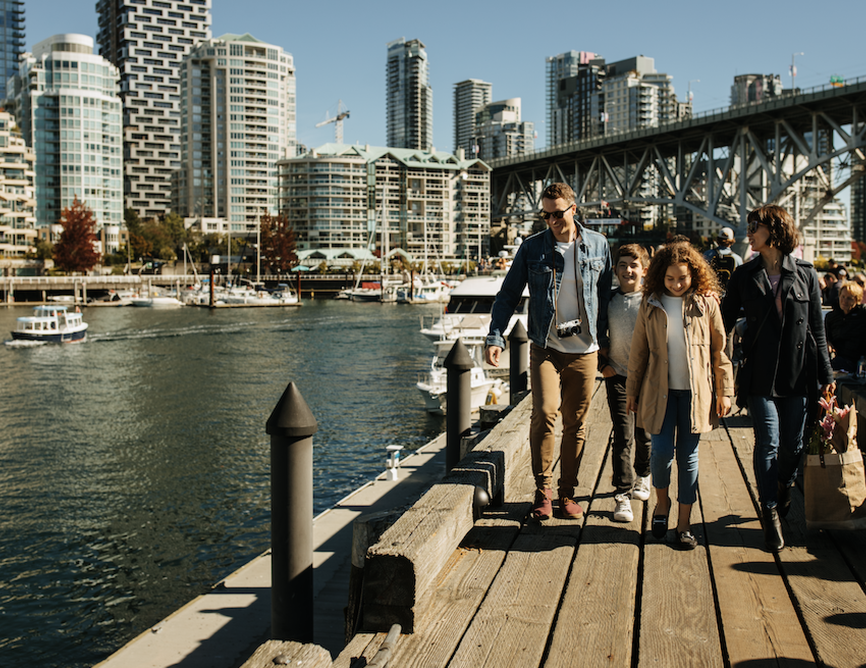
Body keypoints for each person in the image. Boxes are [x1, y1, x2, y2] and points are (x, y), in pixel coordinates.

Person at [485, 182, 612, 521]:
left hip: (585, 349)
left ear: (574, 209)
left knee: (577, 423)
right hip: (546, 347)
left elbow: (606, 298)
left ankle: (567, 494)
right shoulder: (531, 248)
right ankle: (543, 491)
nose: (552, 220)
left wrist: (611, 346)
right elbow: (508, 295)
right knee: (544, 412)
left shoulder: (598, 245)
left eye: (558, 213)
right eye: (546, 215)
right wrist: (495, 336)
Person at [721, 204, 834, 553]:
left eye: (754, 226)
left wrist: (827, 375)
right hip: (760, 375)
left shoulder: (805, 274)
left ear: (774, 230)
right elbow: (722, 321)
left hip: (799, 374)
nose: (748, 233)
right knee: (767, 442)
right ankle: (769, 510)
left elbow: (816, 328)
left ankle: (785, 486)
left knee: (793, 447)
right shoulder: (744, 275)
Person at [626, 242, 733, 550]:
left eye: (682, 278)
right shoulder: (651, 303)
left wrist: (725, 392)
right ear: (660, 276)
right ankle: (662, 505)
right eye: (670, 278)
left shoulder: (706, 303)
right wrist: (632, 392)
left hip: (695, 395)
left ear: (694, 275)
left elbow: (720, 351)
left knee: (688, 459)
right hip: (660, 394)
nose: (676, 284)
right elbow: (638, 353)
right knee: (660, 453)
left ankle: (684, 525)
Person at [599, 244, 652, 523]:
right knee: (623, 433)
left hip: (647, 378)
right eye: (622, 265)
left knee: (644, 433)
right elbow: (596, 333)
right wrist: (603, 365)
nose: (628, 270)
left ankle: (644, 474)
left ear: (644, 269)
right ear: (615, 270)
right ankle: (622, 494)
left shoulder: (653, 299)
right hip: (617, 375)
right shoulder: (608, 300)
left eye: (634, 265)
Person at [824, 281, 866, 372]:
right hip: (836, 357)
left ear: (857, 300)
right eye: (842, 297)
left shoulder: (863, 314)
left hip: (856, 360)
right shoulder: (832, 317)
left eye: (849, 298)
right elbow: (825, 336)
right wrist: (828, 343)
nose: (844, 301)